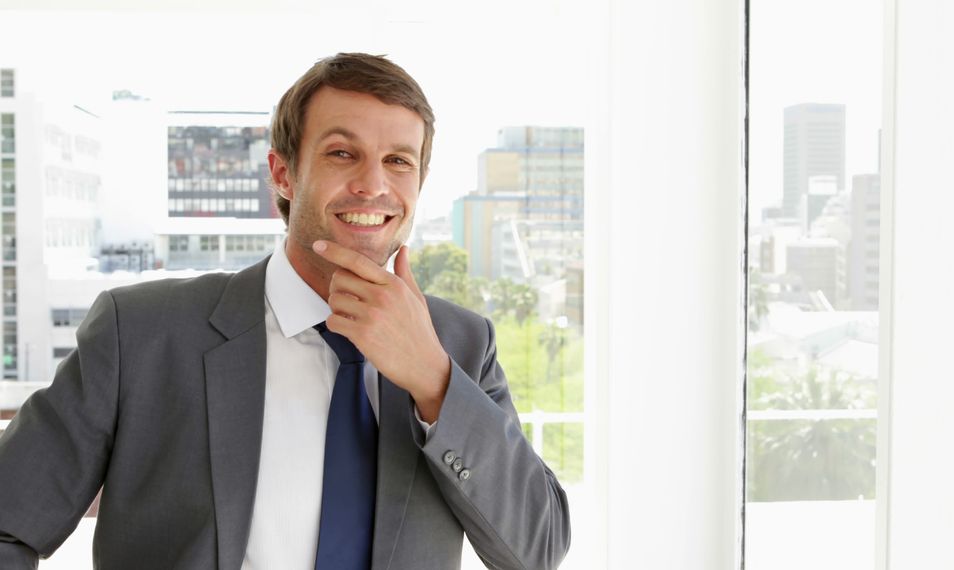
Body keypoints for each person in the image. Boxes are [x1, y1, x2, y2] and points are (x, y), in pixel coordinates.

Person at [0, 52, 570, 570]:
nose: (373, 185)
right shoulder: (142, 333)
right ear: (283, 174)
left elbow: (538, 551)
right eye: (342, 153)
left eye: (398, 161)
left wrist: (433, 380)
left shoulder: (462, 345)